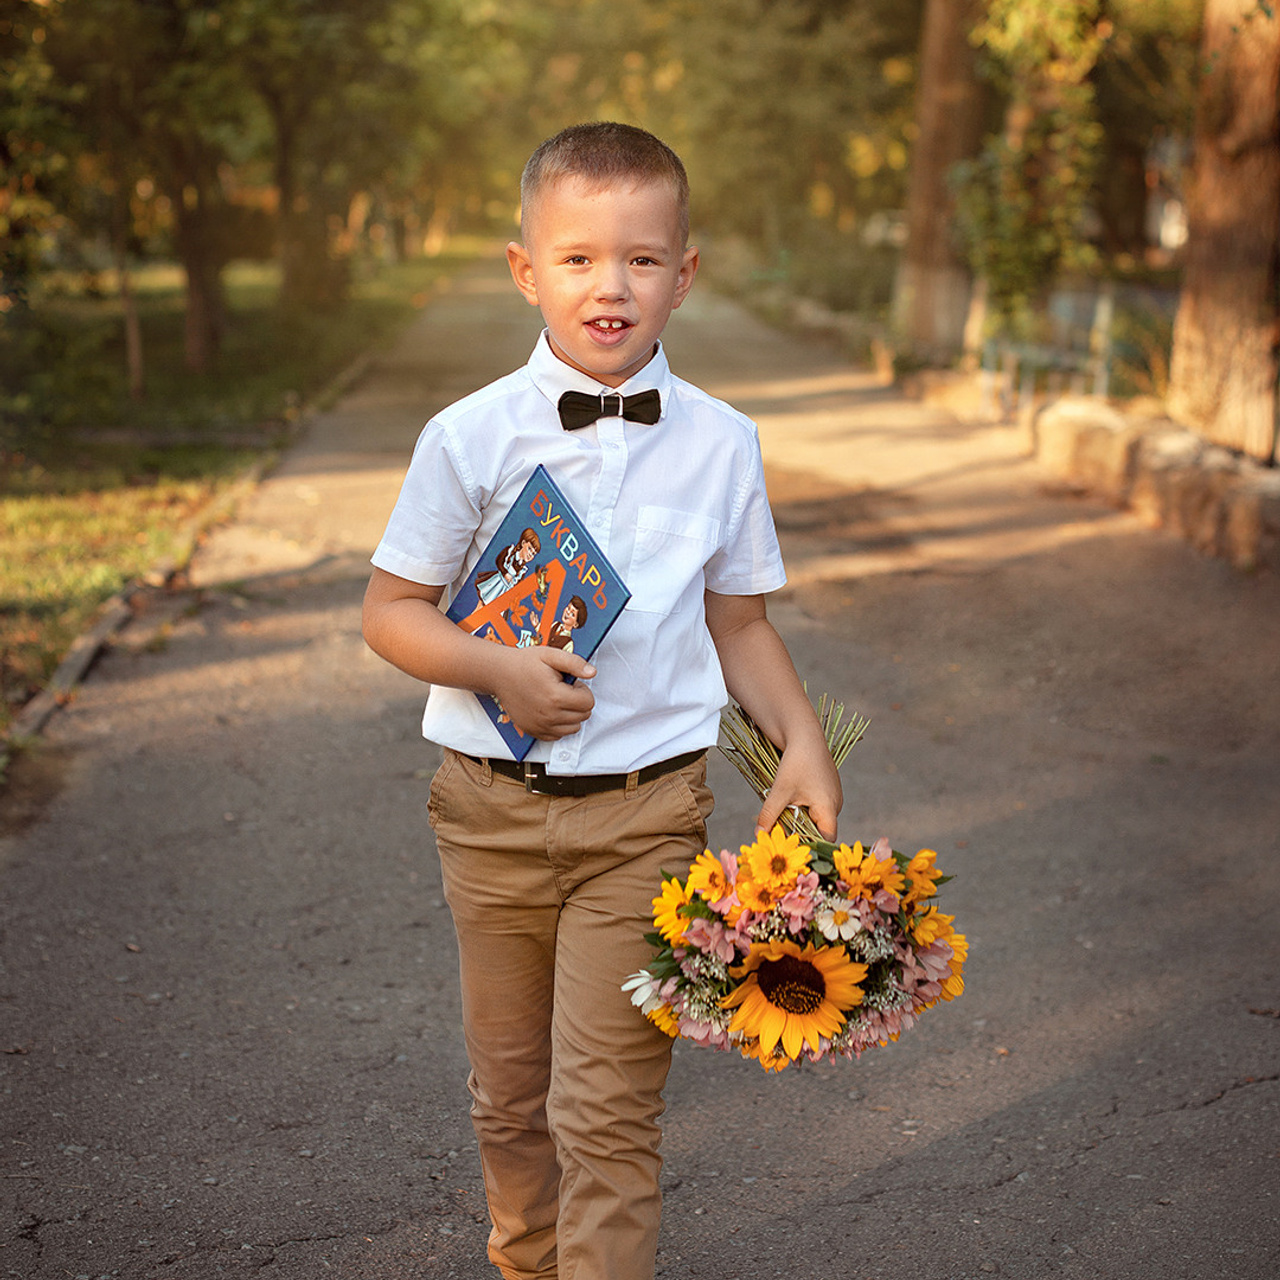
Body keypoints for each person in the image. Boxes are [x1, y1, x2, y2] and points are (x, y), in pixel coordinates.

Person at [362, 121, 842, 1280]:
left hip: (646, 817)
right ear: (525, 269)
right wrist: (496, 668)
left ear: (684, 273)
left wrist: (803, 739)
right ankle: (525, 1258)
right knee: (509, 1093)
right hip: (487, 813)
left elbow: (739, 623)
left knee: (607, 1105)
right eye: (576, 257)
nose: (609, 285)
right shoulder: (468, 435)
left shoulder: (723, 444)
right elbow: (391, 611)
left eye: (639, 258)